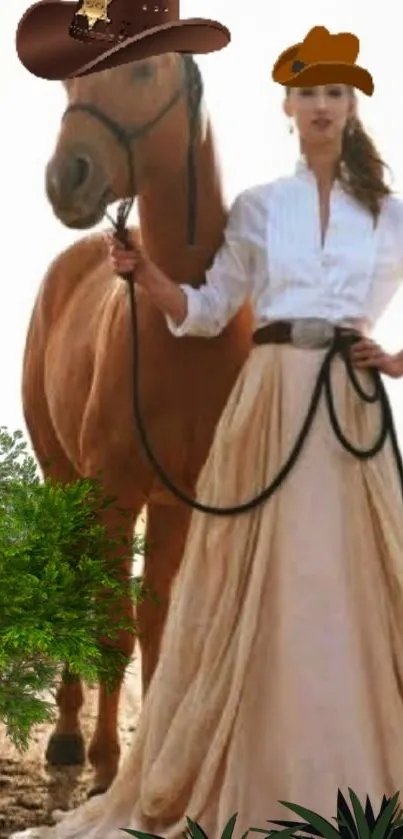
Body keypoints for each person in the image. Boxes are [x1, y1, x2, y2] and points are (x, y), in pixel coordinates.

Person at [10, 82, 403, 839]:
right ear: (286, 108)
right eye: (306, 93)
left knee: (343, 581)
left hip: (347, 402)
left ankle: (352, 775)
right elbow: (209, 307)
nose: (319, 107)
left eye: (332, 93)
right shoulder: (258, 208)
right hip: (269, 394)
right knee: (270, 575)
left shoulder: (386, 211)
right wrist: (143, 275)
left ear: (348, 108)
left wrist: (391, 357)